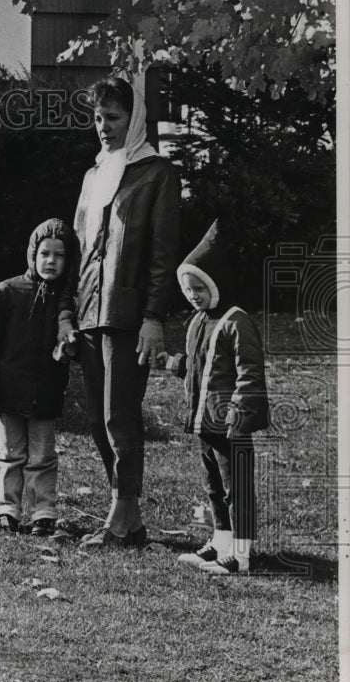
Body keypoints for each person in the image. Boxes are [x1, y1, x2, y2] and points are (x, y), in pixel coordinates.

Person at [58, 74, 181, 549]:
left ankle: (119, 519)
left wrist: (154, 317)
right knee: (94, 420)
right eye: (97, 118)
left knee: (118, 416)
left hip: (128, 315)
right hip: (89, 311)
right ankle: (128, 521)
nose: (103, 127)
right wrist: (66, 313)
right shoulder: (94, 175)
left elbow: (162, 254)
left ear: (134, 121)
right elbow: (78, 247)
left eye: (113, 118)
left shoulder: (157, 174)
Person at [157, 221, 270, 574]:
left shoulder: (237, 322)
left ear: (217, 283)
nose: (193, 295)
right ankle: (220, 542)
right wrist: (172, 363)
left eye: (200, 288)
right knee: (214, 486)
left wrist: (240, 412)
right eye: (188, 289)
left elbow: (249, 371)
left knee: (238, 486)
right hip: (205, 422)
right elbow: (197, 367)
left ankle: (241, 554)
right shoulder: (198, 322)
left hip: (230, 423)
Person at [0, 218, 80, 537]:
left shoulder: (68, 302)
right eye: (44, 253)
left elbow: (76, 344)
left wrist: (71, 346)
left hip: (46, 393)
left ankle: (43, 512)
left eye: (59, 256)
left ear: (68, 260)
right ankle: (8, 510)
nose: (50, 261)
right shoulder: (5, 292)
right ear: (33, 254)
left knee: (43, 455)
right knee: (11, 454)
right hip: (8, 393)